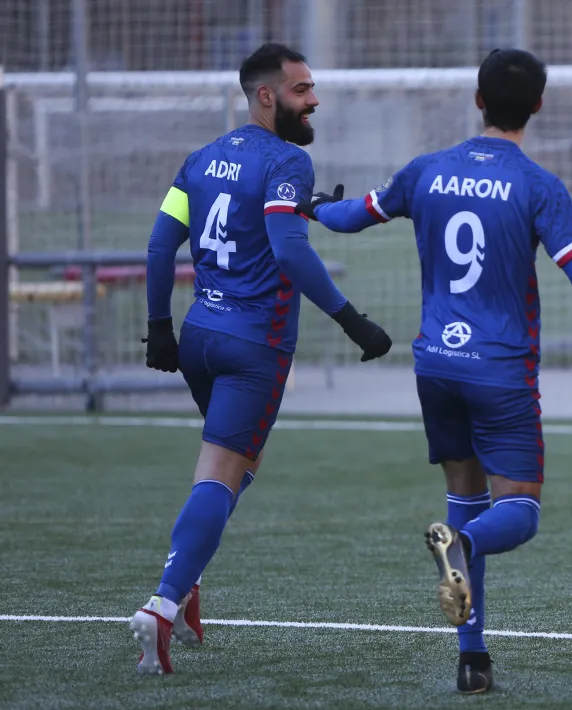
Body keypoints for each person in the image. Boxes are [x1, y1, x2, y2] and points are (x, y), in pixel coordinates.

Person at [295, 48, 572, 694]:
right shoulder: (537, 184)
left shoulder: (425, 170)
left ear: (477, 100)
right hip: (499, 371)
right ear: (538, 106)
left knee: (465, 502)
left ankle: (472, 662)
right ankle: (464, 550)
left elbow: (350, 216)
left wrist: (312, 207)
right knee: (517, 513)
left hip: (436, 365)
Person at [132, 42, 393, 675]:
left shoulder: (201, 159)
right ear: (266, 96)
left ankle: (186, 585)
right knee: (221, 474)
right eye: (302, 90)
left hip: (199, 338)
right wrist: (353, 321)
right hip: (255, 348)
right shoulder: (286, 161)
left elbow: (161, 246)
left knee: (235, 464)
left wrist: (160, 328)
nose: (314, 100)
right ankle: (161, 606)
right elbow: (289, 250)